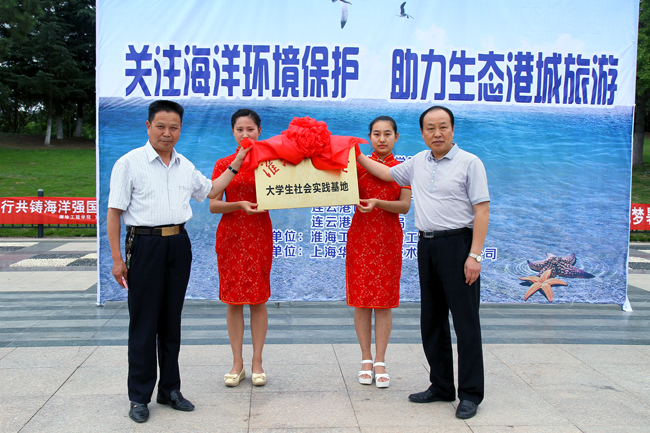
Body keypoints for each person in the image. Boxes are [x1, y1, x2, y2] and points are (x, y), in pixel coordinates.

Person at [107, 100, 250, 423]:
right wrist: (117, 259)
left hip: (178, 244)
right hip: (144, 244)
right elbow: (114, 213)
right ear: (148, 126)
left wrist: (238, 162)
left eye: (173, 127)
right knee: (144, 323)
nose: (166, 133)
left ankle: (170, 389)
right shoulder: (129, 163)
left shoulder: (185, 165)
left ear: (180, 129)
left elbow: (211, 190)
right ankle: (139, 396)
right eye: (160, 126)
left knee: (172, 321)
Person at [356, 106, 489, 419]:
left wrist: (475, 255)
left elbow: (482, 211)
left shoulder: (470, 162)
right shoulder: (417, 161)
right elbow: (386, 173)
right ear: (422, 132)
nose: (437, 133)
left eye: (443, 127)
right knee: (432, 320)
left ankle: (470, 394)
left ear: (452, 129)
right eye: (430, 128)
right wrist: (354, 154)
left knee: (465, 324)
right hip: (427, 245)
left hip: (459, 245)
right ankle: (441, 385)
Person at [346, 116, 411, 388]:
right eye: (376, 134)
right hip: (360, 238)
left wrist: (378, 203)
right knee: (361, 301)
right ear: (369, 137)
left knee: (383, 302)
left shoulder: (404, 168)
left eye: (387, 134)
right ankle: (365, 358)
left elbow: (404, 206)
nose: (381, 139)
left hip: (388, 239)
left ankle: (381, 360)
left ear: (396, 137)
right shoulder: (356, 166)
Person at [210, 109, 271, 388]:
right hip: (232, 235)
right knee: (233, 300)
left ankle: (257, 361)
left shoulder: (272, 164)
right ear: (233, 132)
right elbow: (213, 204)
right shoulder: (224, 163)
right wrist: (239, 205)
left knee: (258, 299)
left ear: (259, 131)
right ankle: (237, 363)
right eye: (239, 130)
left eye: (250, 129)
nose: (245, 134)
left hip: (259, 234)